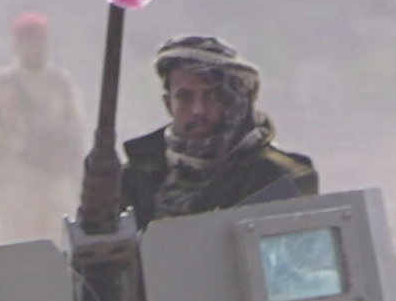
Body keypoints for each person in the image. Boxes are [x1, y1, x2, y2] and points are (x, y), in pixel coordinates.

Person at [118, 34, 321, 221]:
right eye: (185, 97)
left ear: (233, 100)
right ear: (168, 104)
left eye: (212, 95)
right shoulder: (135, 177)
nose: (198, 109)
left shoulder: (278, 176)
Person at [0, 11, 86, 240]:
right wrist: (8, 137)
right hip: (15, 185)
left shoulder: (60, 84)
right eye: (28, 41)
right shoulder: (0, 85)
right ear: (16, 45)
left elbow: (75, 133)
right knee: (18, 248)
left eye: (39, 41)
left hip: (55, 182)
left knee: (58, 245)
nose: (34, 48)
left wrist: (79, 181)